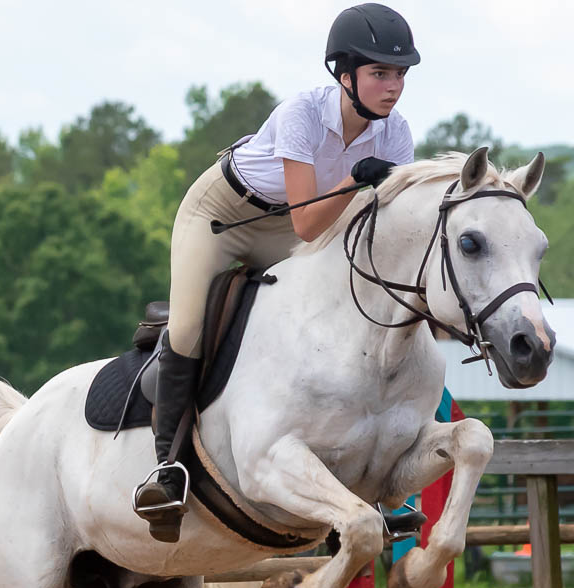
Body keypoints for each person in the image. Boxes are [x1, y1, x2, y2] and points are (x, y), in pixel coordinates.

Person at [133, 2, 422, 538]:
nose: (394, 86)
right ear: (344, 74)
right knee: (191, 326)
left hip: (286, 224)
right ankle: (166, 469)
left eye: (400, 74)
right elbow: (310, 224)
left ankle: (364, 482)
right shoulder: (302, 114)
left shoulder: (395, 133)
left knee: (339, 315)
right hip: (222, 216)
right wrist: (355, 181)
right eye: (381, 73)